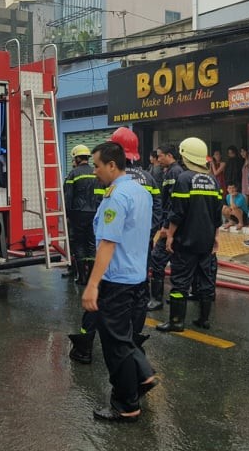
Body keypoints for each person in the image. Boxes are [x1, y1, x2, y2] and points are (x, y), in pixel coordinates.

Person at [68, 129, 160, 364]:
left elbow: (103, 215)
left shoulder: (113, 185)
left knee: (98, 303)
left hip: (113, 260)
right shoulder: (148, 179)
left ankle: (85, 346)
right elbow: (157, 212)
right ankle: (134, 353)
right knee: (136, 306)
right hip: (140, 256)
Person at [82, 141, 157, 422]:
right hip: (138, 278)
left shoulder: (115, 197)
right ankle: (142, 375)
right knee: (125, 338)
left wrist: (92, 285)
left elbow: (107, 244)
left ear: (112, 165)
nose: (94, 171)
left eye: (97, 166)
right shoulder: (141, 191)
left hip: (117, 281)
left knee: (115, 345)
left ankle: (126, 406)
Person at [158, 137, 223, 331]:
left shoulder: (184, 179)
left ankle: (176, 322)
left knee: (180, 281)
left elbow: (177, 212)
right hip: (206, 241)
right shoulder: (213, 181)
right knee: (205, 280)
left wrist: (169, 235)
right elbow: (217, 213)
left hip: (186, 241)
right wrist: (216, 237)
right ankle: (204, 320)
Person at [147, 143, 184, 311]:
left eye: (160, 155)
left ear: (169, 155)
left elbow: (173, 204)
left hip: (171, 226)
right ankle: (174, 297)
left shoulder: (174, 173)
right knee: (175, 261)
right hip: (173, 225)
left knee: (157, 259)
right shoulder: (172, 171)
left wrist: (166, 227)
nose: (158, 158)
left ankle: (156, 299)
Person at [63, 144, 102, 289]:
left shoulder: (72, 175)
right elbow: (101, 195)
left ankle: (81, 277)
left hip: (77, 214)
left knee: (78, 244)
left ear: (78, 158)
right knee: (92, 244)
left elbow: (68, 197)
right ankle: (91, 276)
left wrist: (67, 214)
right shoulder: (95, 172)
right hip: (94, 214)